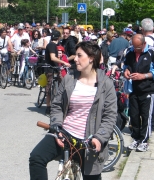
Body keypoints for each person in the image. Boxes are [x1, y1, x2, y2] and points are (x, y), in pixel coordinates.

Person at [29, 41, 117, 179]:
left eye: (79, 55)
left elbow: (110, 116)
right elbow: (57, 105)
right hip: (64, 134)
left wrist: (99, 138)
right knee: (36, 158)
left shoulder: (106, 84)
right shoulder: (69, 78)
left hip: (89, 141)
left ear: (91, 58)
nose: (75, 58)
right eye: (75, 55)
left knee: (91, 176)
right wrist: (57, 126)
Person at [124, 34, 154, 152]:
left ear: (144, 44)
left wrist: (144, 76)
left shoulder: (152, 52)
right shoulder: (130, 52)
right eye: (134, 47)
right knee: (134, 115)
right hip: (133, 89)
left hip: (148, 89)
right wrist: (126, 71)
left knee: (146, 116)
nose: (135, 50)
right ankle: (136, 138)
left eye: (138, 48)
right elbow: (126, 65)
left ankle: (144, 140)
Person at [44, 30, 71, 115]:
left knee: (62, 84)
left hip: (55, 68)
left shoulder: (54, 45)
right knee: (49, 87)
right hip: (50, 69)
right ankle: (48, 107)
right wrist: (64, 62)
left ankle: (61, 104)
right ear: (58, 38)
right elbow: (52, 58)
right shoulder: (52, 45)